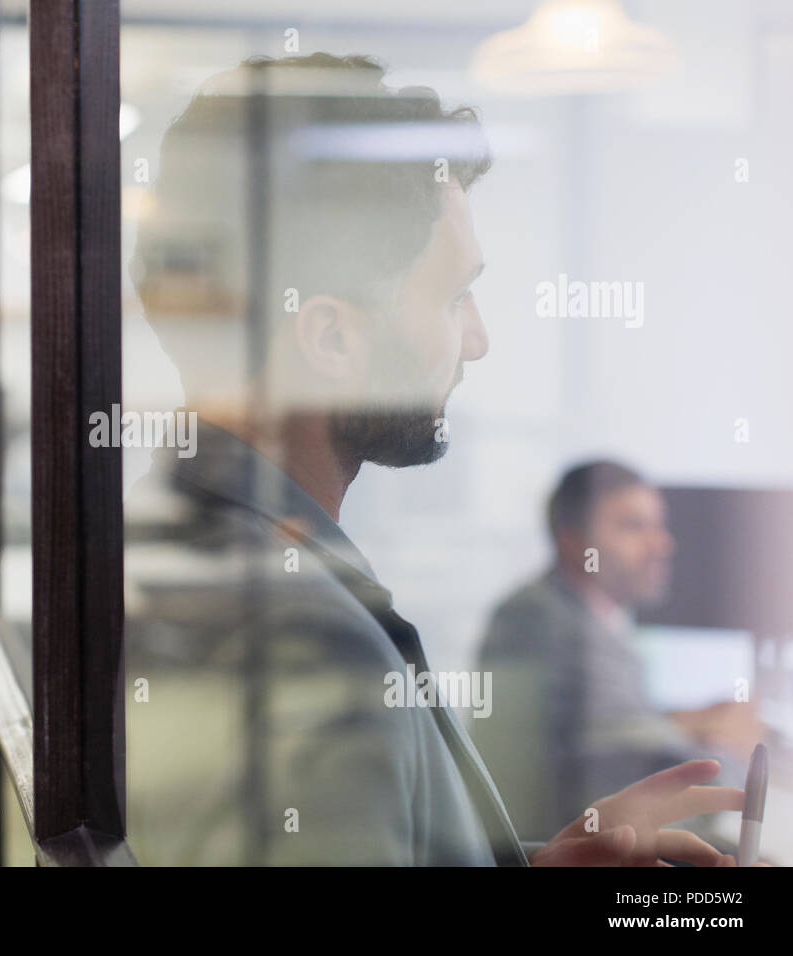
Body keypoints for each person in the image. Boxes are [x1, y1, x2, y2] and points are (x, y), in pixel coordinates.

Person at [123, 53, 742, 866]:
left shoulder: (181, 532)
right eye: (454, 297)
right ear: (334, 337)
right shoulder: (305, 643)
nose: (477, 341)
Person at [472, 460, 765, 842]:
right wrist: (733, 746)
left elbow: (595, 725)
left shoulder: (587, 615)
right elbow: (645, 775)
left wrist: (682, 721)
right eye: (633, 526)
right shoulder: (539, 620)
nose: (661, 544)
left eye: (659, 526)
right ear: (572, 542)